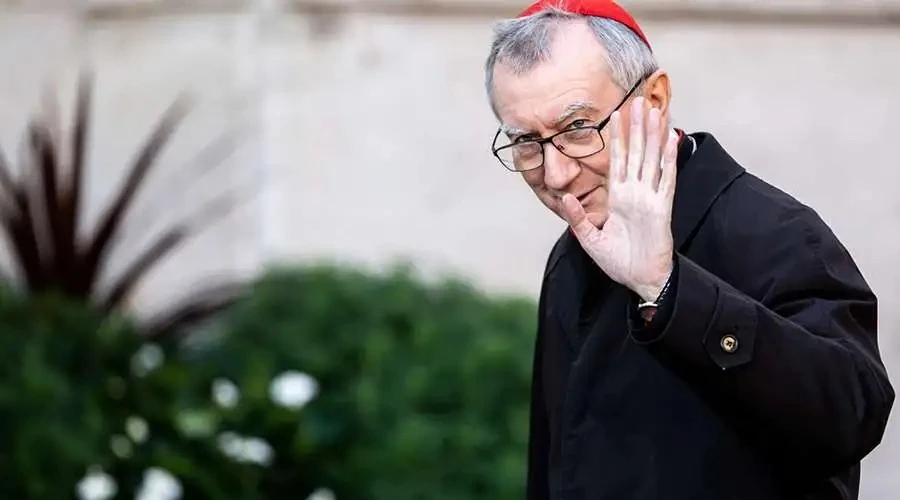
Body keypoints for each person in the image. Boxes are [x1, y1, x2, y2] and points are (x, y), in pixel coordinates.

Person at [483, 1, 895, 499]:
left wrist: (668, 289)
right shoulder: (570, 254)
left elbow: (853, 415)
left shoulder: (773, 230)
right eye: (527, 142)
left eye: (577, 128)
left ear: (654, 100)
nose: (556, 174)